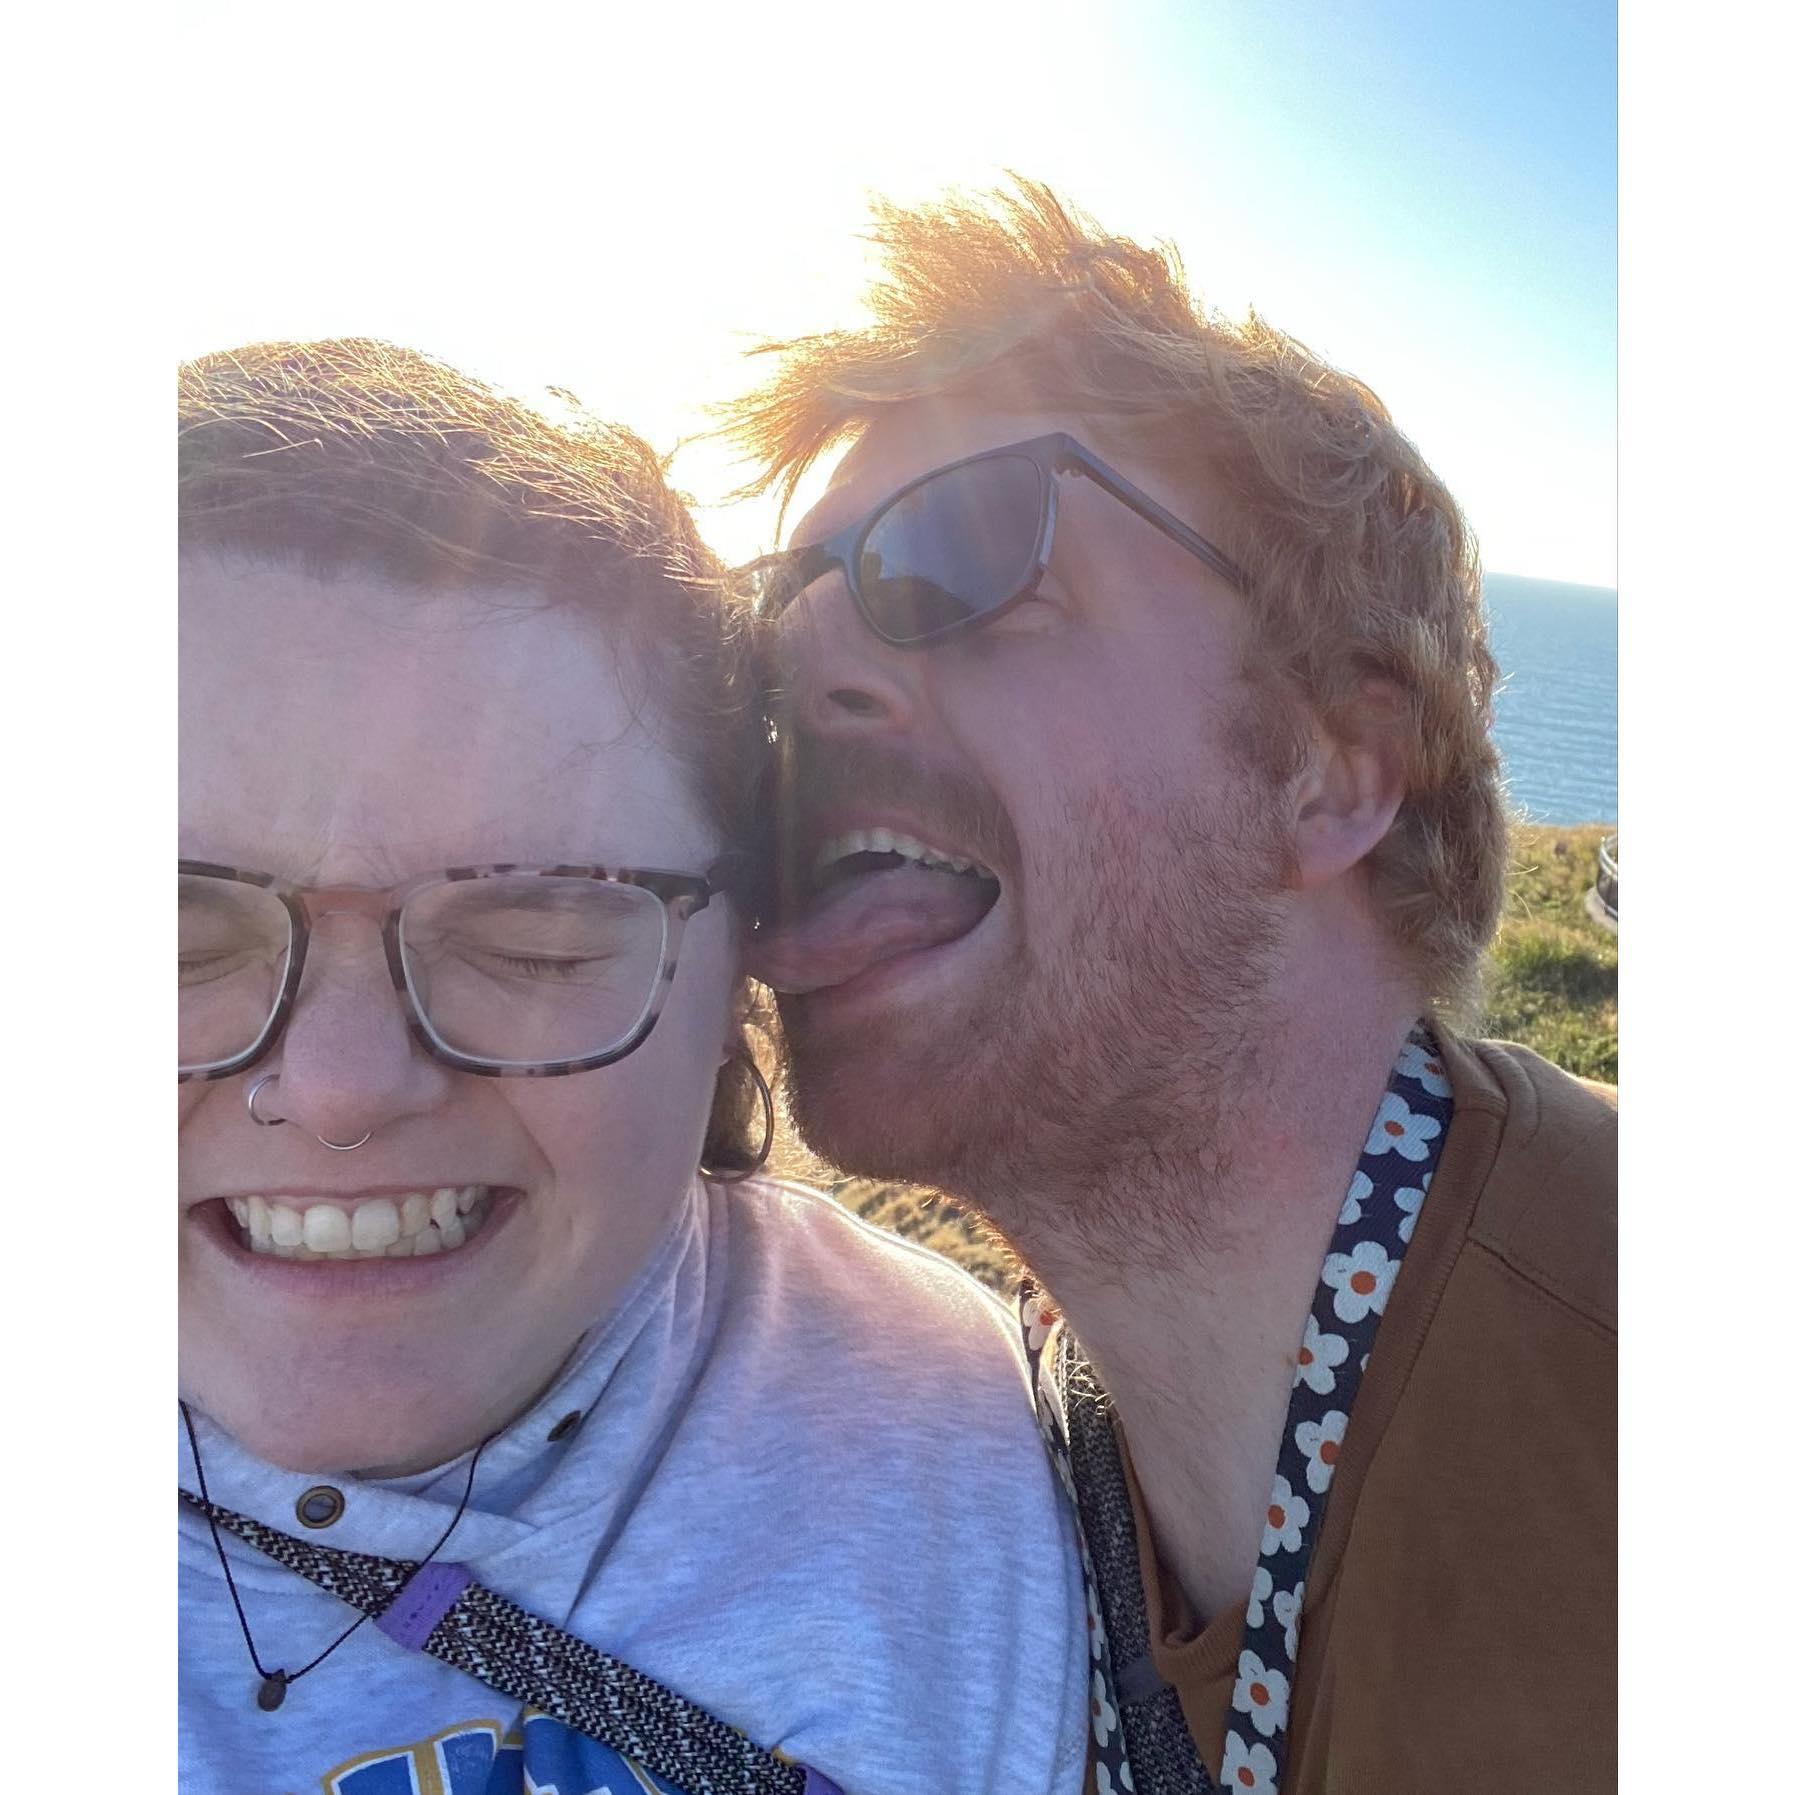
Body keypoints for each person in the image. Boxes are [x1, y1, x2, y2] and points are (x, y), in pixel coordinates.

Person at [726, 183, 1616, 1793]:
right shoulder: (993, 1474)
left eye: (963, 558)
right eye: (776, 618)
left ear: (1334, 768)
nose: (818, 672)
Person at [178, 339, 1090, 1795]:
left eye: (536, 933)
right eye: (166, 932)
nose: (340, 1087)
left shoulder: (984, 1453)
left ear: (745, 960)